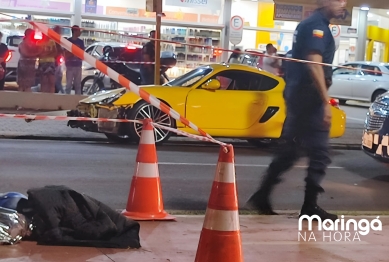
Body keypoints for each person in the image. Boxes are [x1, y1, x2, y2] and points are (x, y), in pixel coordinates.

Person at [246, 0, 346, 221]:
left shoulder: (312, 24)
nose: (343, 4)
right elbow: (313, 63)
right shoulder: (315, 26)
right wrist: (325, 101)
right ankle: (309, 206)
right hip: (308, 98)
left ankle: (263, 194)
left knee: (291, 150)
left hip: (299, 96)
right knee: (319, 152)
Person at [64, 25, 85, 94]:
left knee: (77, 85)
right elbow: (65, 54)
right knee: (69, 85)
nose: (80, 32)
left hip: (78, 66)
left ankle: (77, 100)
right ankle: (67, 99)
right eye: (78, 30)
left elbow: (82, 54)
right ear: (75, 31)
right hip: (70, 66)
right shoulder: (68, 41)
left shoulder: (81, 42)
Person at [53, 26, 65, 93]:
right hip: (55, 63)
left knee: (57, 80)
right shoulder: (55, 41)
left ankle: (60, 92)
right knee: (57, 80)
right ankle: (62, 93)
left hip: (56, 63)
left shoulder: (56, 40)